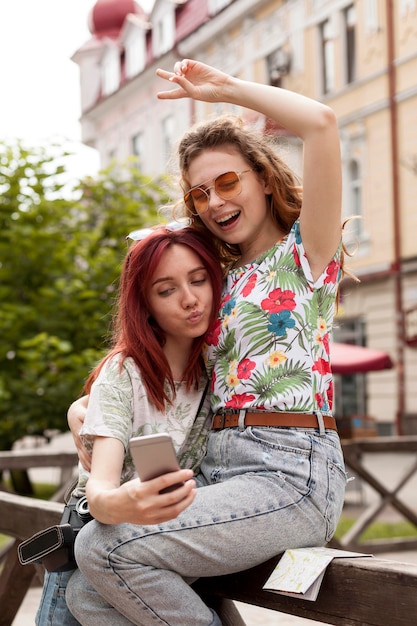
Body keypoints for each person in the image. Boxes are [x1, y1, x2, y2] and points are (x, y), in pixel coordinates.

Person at [66, 59, 348, 626]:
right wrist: (89, 410)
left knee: (102, 550)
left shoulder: (304, 256)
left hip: (290, 475)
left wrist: (227, 91)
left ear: (263, 180)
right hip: (213, 471)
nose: (215, 202)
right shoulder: (214, 279)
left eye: (227, 182)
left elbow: (321, 123)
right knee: (87, 596)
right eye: (200, 193)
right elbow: (164, 373)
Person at [35, 222, 224, 626]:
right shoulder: (125, 373)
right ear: (146, 303)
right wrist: (115, 502)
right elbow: (100, 484)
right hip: (94, 533)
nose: (190, 300)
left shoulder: (219, 369)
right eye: (166, 289)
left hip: (160, 547)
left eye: (198, 280)